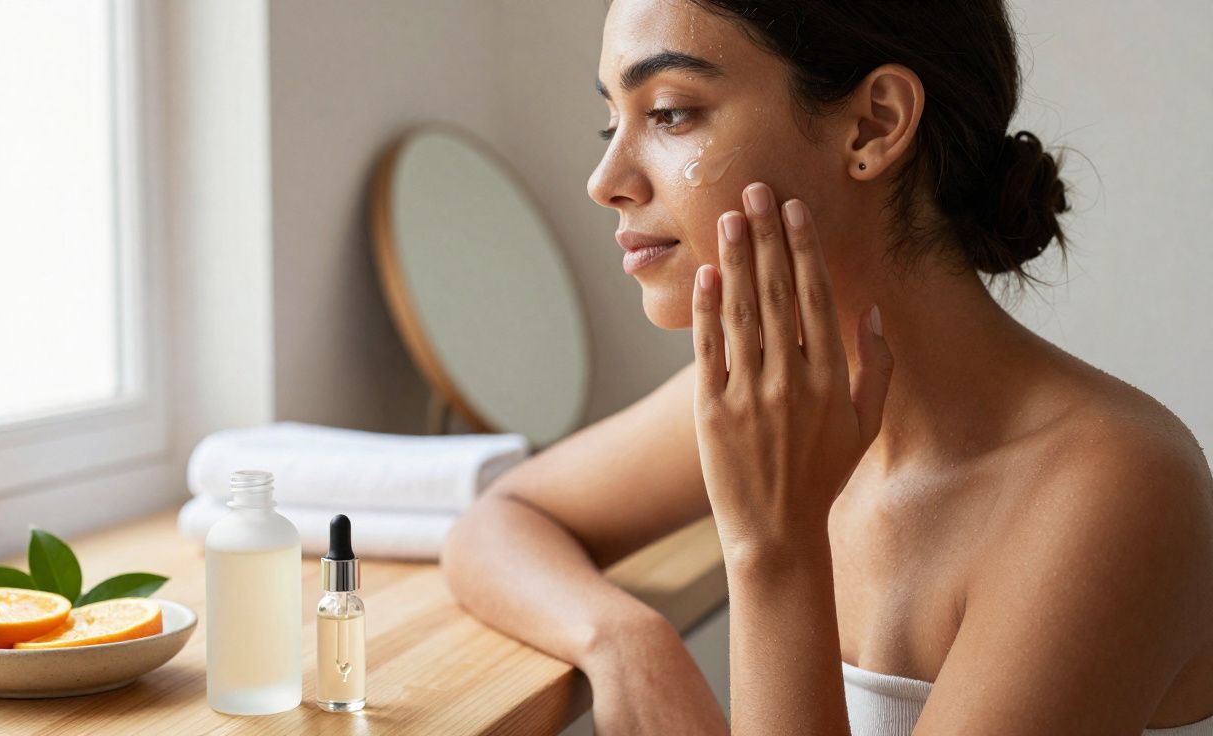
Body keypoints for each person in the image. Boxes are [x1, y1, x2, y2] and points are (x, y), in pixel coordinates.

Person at [442, 1, 1213, 733]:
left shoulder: (1115, 486)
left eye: (670, 112)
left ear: (873, 125)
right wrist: (626, 643)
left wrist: (772, 551)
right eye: (613, 118)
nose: (605, 178)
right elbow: (502, 521)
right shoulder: (780, 395)